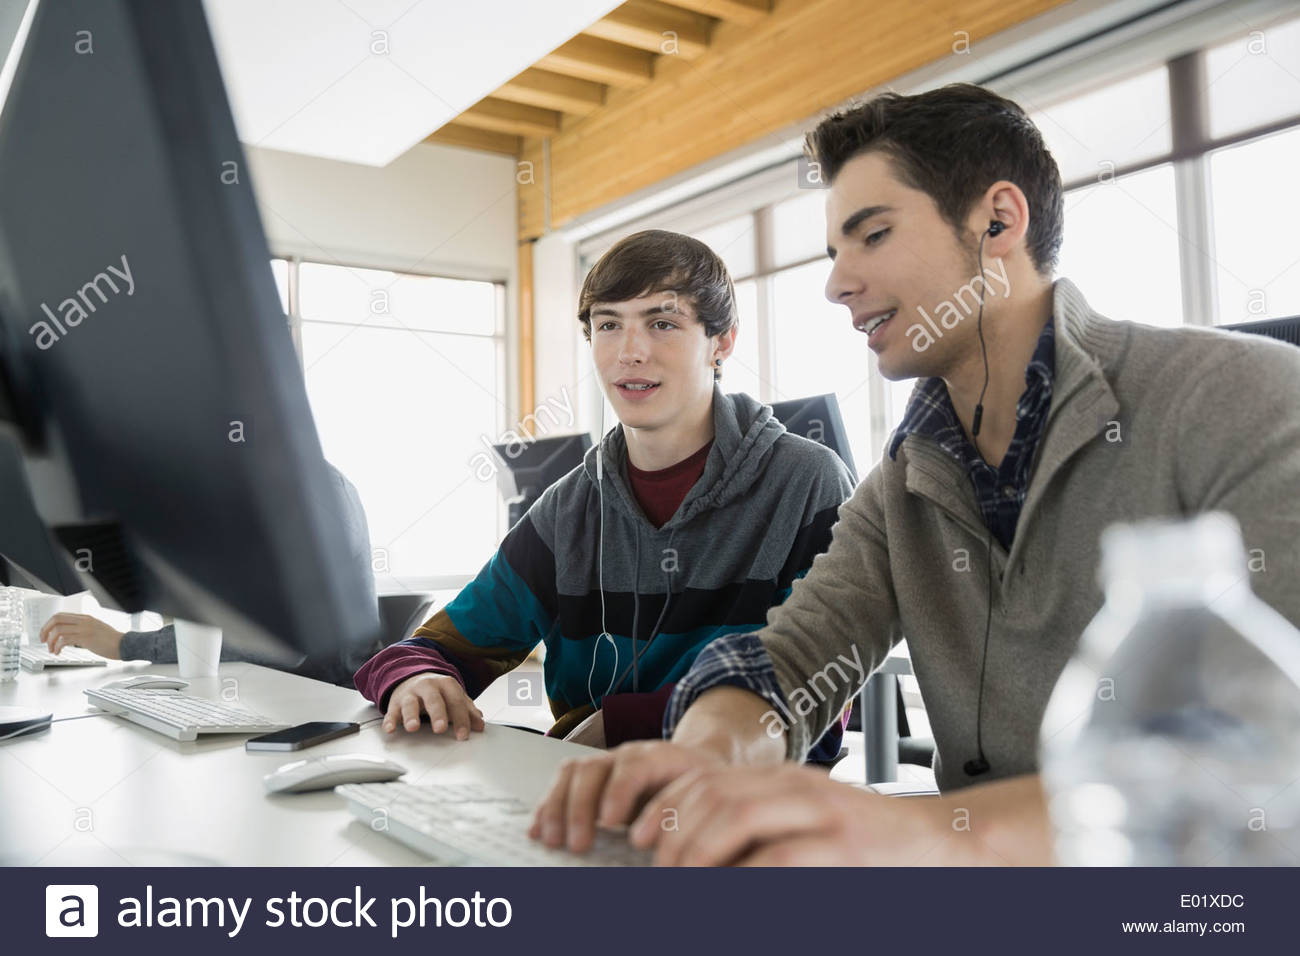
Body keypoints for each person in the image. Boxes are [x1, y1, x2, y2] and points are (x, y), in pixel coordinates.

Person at [530, 84, 1300, 864]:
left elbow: (1266, 756)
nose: (837, 283)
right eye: (835, 251)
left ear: (997, 221)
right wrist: (701, 758)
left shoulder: (1246, 399)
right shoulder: (906, 478)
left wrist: (925, 833)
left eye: (873, 236)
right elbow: (789, 660)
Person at [353, 230, 856, 758]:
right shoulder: (567, 509)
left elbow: (817, 697)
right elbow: (435, 649)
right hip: (587, 791)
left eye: (662, 323)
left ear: (721, 341)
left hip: (739, 805)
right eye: (608, 325)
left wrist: (627, 726)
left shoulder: (808, 483)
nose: (630, 352)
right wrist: (415, 678)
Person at [38, 463, 381, 687]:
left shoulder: (314, 490)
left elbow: (282, 644)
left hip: (324, 705)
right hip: (259, 690)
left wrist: (124, 644)